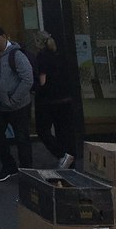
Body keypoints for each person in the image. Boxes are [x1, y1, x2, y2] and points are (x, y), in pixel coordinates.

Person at [0, 26, 34, 181]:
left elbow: (27, 79)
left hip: (18, 106)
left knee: (22, 138)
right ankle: (9, 166)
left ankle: (27, 171)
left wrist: (14, 99)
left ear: (5, 37)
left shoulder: (16, 55)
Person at [34, 30, 75, 168]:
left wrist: (36, 91)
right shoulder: (59, 55)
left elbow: (43, 81)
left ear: (38, 43)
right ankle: (70, 161)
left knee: (42, 130)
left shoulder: (42, 57)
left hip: (49, 100)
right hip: (64, 97)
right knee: (64, 131)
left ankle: (62, 155)